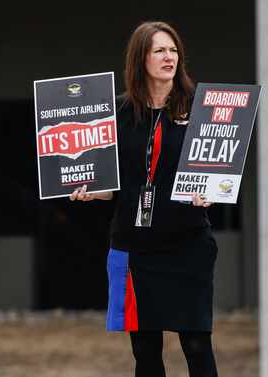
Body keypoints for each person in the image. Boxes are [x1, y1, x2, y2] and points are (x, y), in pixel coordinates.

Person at [70, 21, 218, 377]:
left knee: (197, 346)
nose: (169, 57)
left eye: (173, 50)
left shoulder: (202, 108)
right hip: (136, 247)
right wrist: (90, 191)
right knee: (146, 352)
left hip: (189, 243)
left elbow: (216, 173)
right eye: (159, 51)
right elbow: (115, 183)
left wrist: (211, 192)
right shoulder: (116, 113)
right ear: (141, 59)